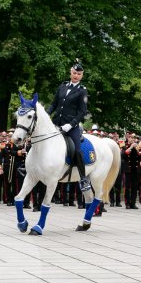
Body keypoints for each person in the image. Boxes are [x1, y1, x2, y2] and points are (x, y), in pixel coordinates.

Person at [48, 61, 91, 192]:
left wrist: (71, 124)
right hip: (56, 123)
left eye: (79, 74)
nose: (76, 75)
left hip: (70, 126)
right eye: (74, 73)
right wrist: (46, 114)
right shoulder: (62, 86)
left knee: (77, 150)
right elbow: (54, 104)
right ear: (70, 72)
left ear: (81, 76)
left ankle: (83, 178)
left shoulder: (82, 91)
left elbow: (82, 112)